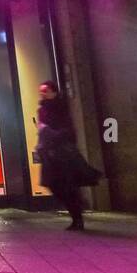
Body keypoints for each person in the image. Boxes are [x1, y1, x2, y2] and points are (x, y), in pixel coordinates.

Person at [35, 82, 102, 231]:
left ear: (54, 92)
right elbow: (42, 129)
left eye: (45, 90)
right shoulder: (42, 110)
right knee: (54, 185)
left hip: (63, 154)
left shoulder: (61, 108)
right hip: (49, 153)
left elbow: (68, 131)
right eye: (41, 91)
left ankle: (77, 217)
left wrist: (49, 132)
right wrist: (42, 140)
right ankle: (76, 212)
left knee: (67, 185)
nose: (42, 93)